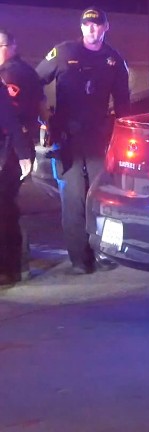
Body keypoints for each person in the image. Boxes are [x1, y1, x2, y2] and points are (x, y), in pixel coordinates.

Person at [36, 7, 130, 275]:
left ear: (105, 27)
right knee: (73, 199)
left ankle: (103, 252)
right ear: (81, 28)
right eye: (87, 25)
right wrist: (43, 112)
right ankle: (80, 259)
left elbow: (124, 104)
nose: (91, 29)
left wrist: (123, 133)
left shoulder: (114, 60)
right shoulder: (64, 52)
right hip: (68, 139)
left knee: (102, 198)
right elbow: (35, 80)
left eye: (97, 24)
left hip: (100, 139)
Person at [0, 29, 47, 279]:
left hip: (10, 147)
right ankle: (17, 259)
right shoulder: (27, 71)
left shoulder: (11, 74)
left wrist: (22, 150)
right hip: (18, 144)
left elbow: (10, 115)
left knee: (5, 205)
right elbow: (40, 106)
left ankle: (11, 265)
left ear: (12, 46)